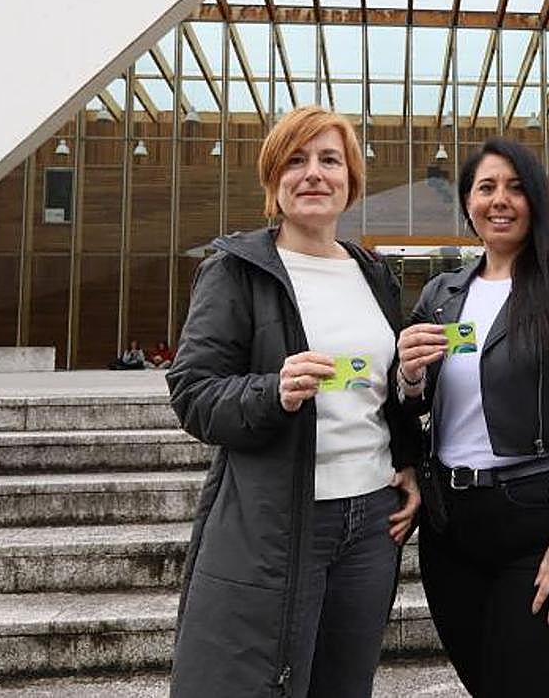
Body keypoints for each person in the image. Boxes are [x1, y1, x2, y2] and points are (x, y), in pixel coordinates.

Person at [165, 105, 421, 697]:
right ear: (273, 180)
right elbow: (194, 392)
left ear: (350, 180)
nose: (313, 174)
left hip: (371, 522)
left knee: (344, 683)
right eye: (295, 161)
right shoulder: (236, 270)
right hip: (281, 518)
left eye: (330, 160)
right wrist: (272, 390)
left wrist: (406, 457)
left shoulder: (372, 273)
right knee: (263, 683)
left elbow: (379, 393)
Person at [396, 138, 549, 697]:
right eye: (485, 188)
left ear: (537, 201)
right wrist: (407, 377)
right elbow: (413, 402)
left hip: (542, 522)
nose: (500, 201)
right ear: (468, 203)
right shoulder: (441, 294)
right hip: (452, 532)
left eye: (516, 187)